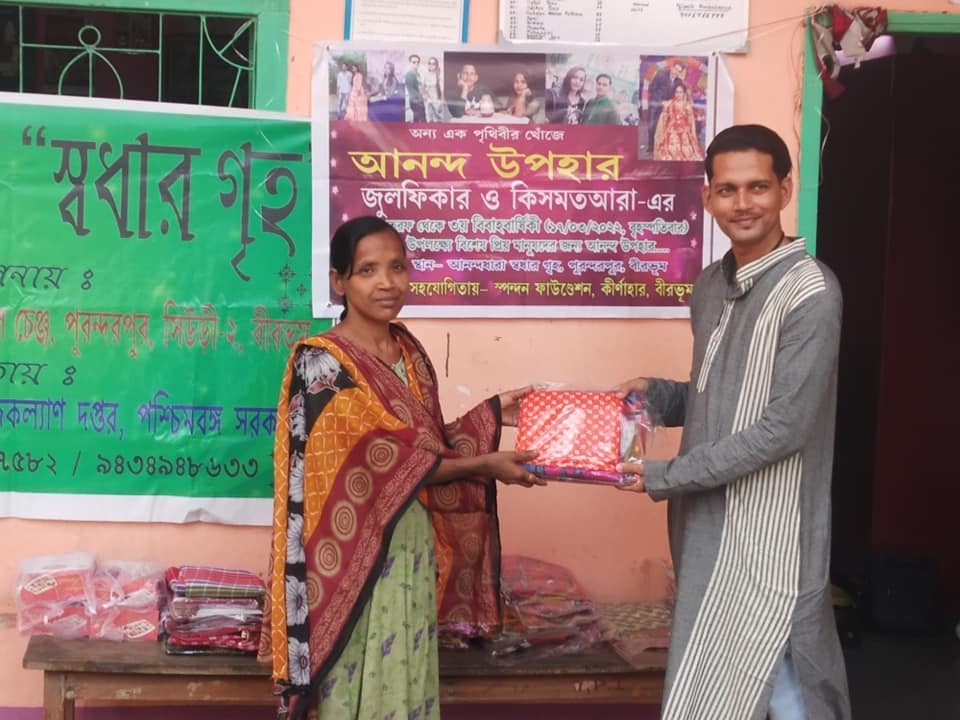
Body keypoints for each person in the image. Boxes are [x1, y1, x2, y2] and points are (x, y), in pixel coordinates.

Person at [260, 216, 544, 720]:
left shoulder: (409, 352)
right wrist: (485, 463)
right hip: (349, 553)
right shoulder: (320, 363)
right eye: (368, 270)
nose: (387, 283)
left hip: (410, 541)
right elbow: (382, 460)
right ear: (339, 280)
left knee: (403, 674)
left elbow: (424, 447)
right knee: (355, 680)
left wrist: (491, 413)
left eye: (397, 267)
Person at [615, 125, 852, 719]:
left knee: (787, 683)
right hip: (706, 528)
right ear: (707, 197)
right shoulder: (711, 285)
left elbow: (784, 428)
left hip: (773, 533)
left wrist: (663, 475)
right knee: (712, 683)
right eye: (727, 189)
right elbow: (719, 395)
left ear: (785, 189)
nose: (743, 204)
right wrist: (658, 396)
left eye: (758, 187)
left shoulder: (810, 291)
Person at [652, 81, 703, 161]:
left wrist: (692, 135)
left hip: (684, 132)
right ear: (674, 93)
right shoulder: (669, 104)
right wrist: (662, 133)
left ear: (684, 93)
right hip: (671, 131)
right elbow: (664, 120)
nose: (678, 94)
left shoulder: (687, 106)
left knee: (688, 152)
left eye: (680, 92)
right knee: (669, 151)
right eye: (676, 92)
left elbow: (691, 122)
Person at [646, 60, 686, 150]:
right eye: (675, 69)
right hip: (655, 104)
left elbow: (680, 94)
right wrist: (661, 101)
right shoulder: (661, 74)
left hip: (667, 108)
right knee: (651, 126)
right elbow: (652, 88)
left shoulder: (679, 81)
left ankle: (661, 146)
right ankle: (651, 146)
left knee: (664, 127)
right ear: (672, 67)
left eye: (679, 71)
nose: (676, 72)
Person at [404, 54, 426, 122]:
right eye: (414, 62)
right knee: (421, 121)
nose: (416, 64)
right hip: (416, 102)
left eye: (417, 62)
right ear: (410, 63)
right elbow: (411, 90)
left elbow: (419, 87)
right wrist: (419, 101)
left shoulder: (417, 74)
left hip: (419, 101)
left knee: (418, 120)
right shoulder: (410, 74)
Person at [423, 56, 444, 122]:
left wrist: (441, 104)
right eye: (429, 63)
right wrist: (427, 97)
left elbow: (442, 91)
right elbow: (423, 89)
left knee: (438, 121)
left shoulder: (439, 75)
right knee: (430, 120)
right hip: (429, 102)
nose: (431, 65)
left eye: (433, 64)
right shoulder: (425, 75)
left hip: (437, 102)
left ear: (436, 65)